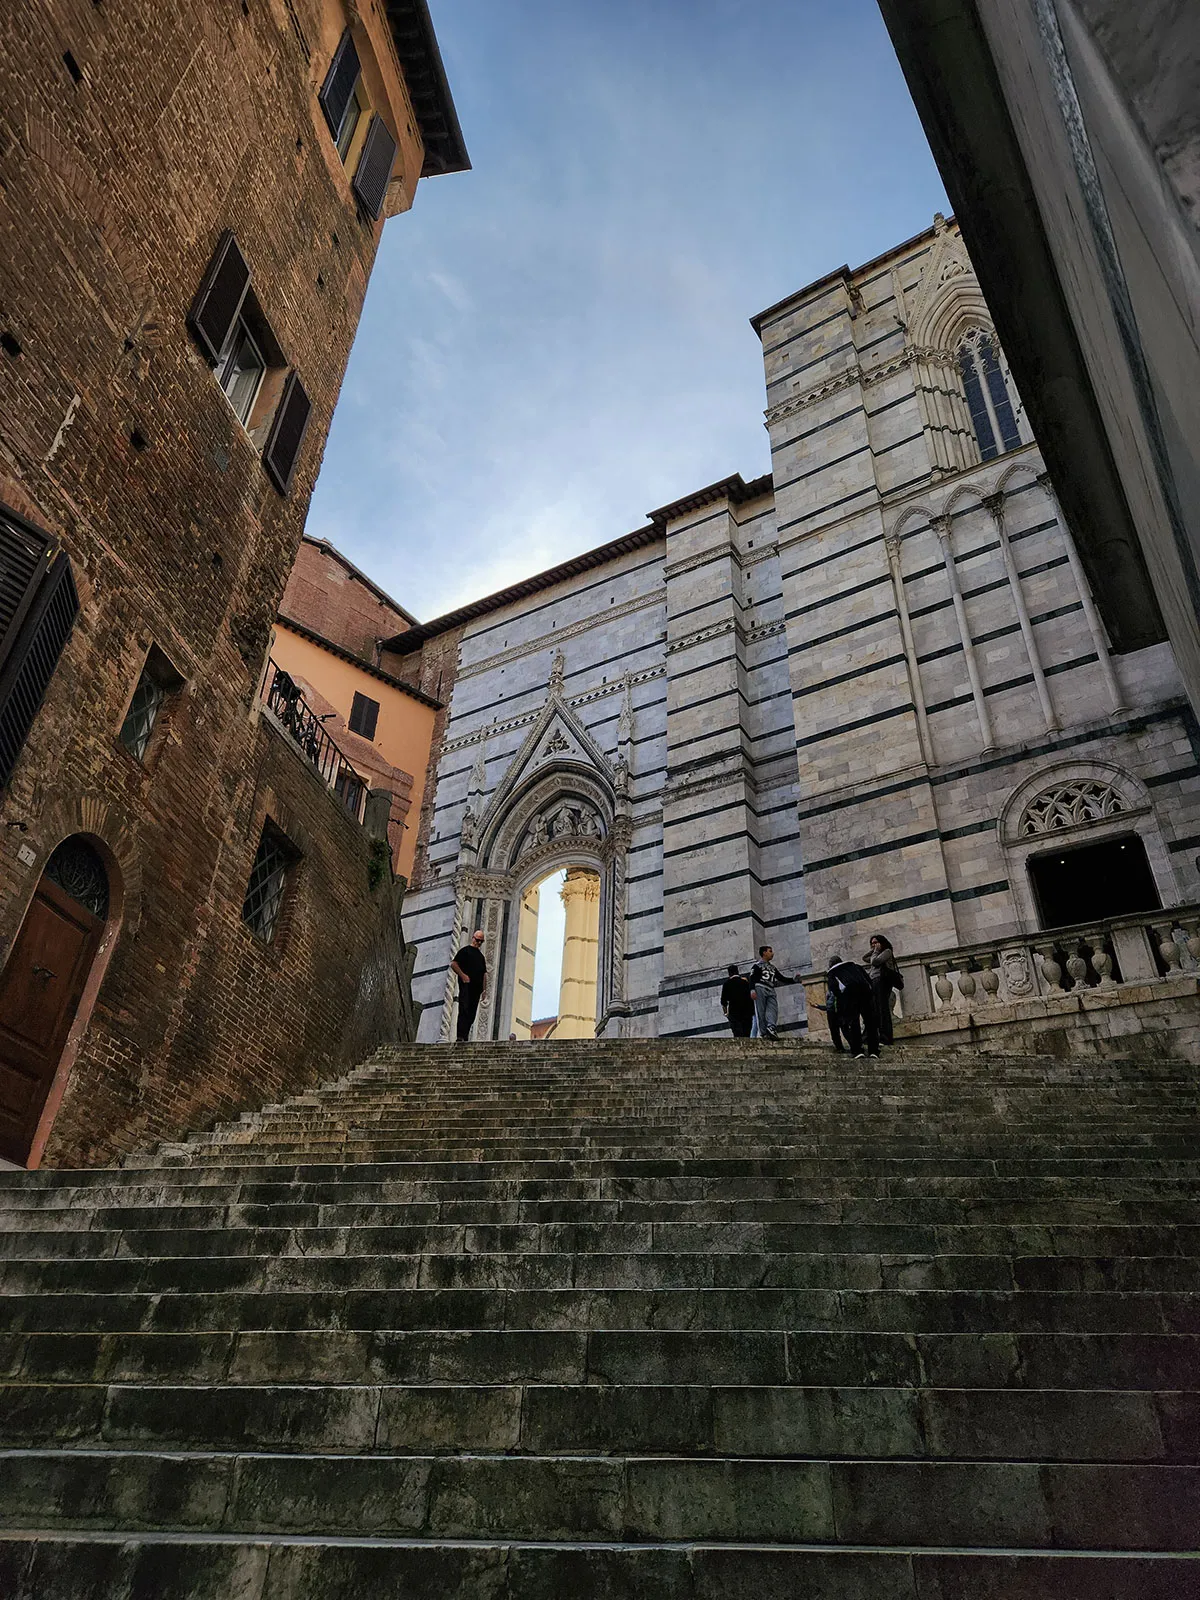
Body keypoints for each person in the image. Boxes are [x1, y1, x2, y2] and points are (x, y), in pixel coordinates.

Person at [827, 954, 879, 1058]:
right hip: (865, 992)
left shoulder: (833, 972)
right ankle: (874, 1051)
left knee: (853, 1023)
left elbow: (834, 989)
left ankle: (858, 1051)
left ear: (830, 965)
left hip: (848, 995)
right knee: (870, 1022)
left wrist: (842, 1002)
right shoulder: (856, 966)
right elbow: (868, 980)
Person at [749, 945, 797, 1040]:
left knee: (773, 1008)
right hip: (760, 988)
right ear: (764, 953)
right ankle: (763, 1033)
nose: (772, 953)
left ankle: (771, 1027)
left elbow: (781, 978)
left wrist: (794, 980)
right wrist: (752, 990)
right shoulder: (757, 966)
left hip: (770, 989)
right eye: (770, 951)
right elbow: (752, 978)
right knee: (760, 1011)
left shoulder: (772, 967)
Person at [863, 933, 902, 1046]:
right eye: (872, 943)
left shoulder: (887, 952)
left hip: (882, 982)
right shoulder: (876, 953)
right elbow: (865, 958)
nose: (873, 945)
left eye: (876, 942)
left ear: (882, 943)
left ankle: (885, 1037)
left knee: (882, 1009)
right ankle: (870, 1036)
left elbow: (875, 962)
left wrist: (876, 951)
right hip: (874, 982)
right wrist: (874, 949)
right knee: (874, 1009)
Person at [450, 930, 487, 1043]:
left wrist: (484, 989)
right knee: (464, 1010)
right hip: (466, 987)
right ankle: (460, 1036)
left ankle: (465, 1036)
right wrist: (463, 976)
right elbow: (454, 964)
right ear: (473, 938)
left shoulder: (481, 957)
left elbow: (484, 974)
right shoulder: (465, 951)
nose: (479, 943)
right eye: (477, 940)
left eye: (481, 941)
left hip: (476, 989)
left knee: (471, 1014)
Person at [720, 964, 755, 1038]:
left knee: (738, 1035)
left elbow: (723, 1001)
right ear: (738, 972)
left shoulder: (727, 984)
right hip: (747, 1013)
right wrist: (752, 1012)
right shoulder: (745, 983)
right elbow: (750, 998)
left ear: (729, 973)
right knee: (746, 1035)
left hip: (734, 1013)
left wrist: (726, 1013)